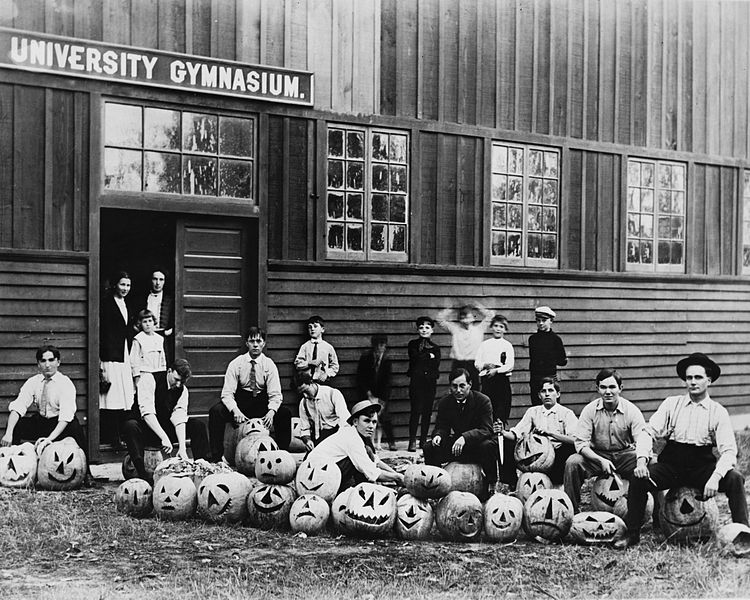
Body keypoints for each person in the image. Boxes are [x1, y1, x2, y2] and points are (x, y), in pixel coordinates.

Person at [616, 353, 749, 549]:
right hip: (672, 467)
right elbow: (648, 431)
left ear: (709, 380)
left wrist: (715, 477)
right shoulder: (672, 404)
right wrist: (642, 461)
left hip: (701, 468)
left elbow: (729, 451)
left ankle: (743, 533)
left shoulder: (717, 411)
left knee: (735, 478)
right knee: (639, 479)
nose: (693, 382)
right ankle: (632, 533)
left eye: (698, 377)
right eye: (689, 378)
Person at [1, 345, 95, 486]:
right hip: (42, 421)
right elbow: (18, 407)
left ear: (58, 362)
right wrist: (8, 433)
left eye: (51, 360)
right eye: (43, 361)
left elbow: (65, 417)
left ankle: (87, 474)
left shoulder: (65, 383)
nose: (47, 365)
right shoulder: (33, 382)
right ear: (38, 364)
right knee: (17, 425)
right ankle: (8, 470)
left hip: (61, 424)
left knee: (76, 427)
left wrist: (49, 440)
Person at [564, 368, 646, 512]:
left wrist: (641, 463)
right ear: (598, 389)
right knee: (573, 462)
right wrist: (600, 460)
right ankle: (571, 512)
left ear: (620, 388)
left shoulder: (632, 411)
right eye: (603, 387)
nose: (608, 391)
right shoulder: (590, 410)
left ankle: (659, 517)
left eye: (612, 387)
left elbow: (642, 441)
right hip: (597, 455)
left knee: (653, 463)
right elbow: (581, 444)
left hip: (625, 455)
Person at [208, 327, 292, 460]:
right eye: (252, 341)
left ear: (263, 343)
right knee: (216, 411)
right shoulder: (236, 364)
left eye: (259, 341)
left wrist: (271, 411)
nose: (255, 345)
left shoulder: (269, 365)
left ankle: (281, 456)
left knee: (284, 413)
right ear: (246, 343)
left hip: (261, 403)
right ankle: (216, 457)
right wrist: (235, 410)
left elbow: (275, 394)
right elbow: (227, 393)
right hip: (242, 403)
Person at [121, 359, 209, 484]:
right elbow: (147, 413)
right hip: (144, 428)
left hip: (164, 427)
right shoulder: (149, 379)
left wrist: (182, 448)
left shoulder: (182, 390)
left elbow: (179, 417)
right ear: (169, 371)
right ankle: (143, 476)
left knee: (197, 425)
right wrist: (164, 437)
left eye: (182, 382)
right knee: (130, 425)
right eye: (176, 379)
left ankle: (203, 472)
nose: (178, 384)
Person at [423, 367, 497, 496]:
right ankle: (436, 484)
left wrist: (465, 437)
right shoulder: (445, 402)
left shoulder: (483, 401)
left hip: (477, 446)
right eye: (454, 386)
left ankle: (491, 485)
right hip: (457, 448)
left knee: (488, 446)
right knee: (429, 447)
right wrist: (438, 436)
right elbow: (441, 426)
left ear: (470, 384)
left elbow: (487, 429)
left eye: (462, 386)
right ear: (450, 387)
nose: (458, 390)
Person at [306, 399, 404, 493]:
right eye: (366, 421)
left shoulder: (358, 435)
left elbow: (375, 460)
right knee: (361, 462)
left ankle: (364, 490)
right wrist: (397, 477)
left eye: (374, 422)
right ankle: (365, 494)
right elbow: (371, 472)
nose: (371, 426)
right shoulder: (351, 437)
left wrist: (395, 473)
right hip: (314, 478)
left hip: (326, 473)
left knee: (368, 452)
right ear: (355, 422)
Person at [497, 377, 577, 486]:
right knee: (507, 442)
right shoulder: (533, 412)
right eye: (543, 391)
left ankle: (557, 483)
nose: (547, 394)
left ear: (558, 394)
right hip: (535, 453)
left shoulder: (566, 413)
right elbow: (517, 433)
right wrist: (503, 432)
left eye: (551, 390)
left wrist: (550, 433)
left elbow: (575, 439)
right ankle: (513, 485)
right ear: (539, 395)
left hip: (556, 455)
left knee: (568, 448)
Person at [99, 271, 135, 450]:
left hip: (123, 354)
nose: (125, 288)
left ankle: (121, 436)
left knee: (123, 396)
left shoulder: (125, 303)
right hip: (110, 355)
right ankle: (112, 438)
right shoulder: (106, 303)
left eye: (128, 285)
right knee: (111, 397)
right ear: (115, 285)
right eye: (122, 284)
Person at [436, 303, 492, 389]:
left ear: (473, 318)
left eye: (468, 317)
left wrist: (477, 307)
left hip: (473, 364)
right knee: (457, 388)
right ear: (460, 319)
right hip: (458, 363)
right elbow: (439, 319)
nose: (466, 320)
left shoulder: (479, 329)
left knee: (474, 388)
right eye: (463, 317)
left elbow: (490, 315)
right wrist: (452, 308)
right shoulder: (455, 329)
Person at [407, 316, 441, 452]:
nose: (424, 330)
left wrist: (426, 357)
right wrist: (429, 356)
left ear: (432, 330)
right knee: (415, 411)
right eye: (421, 327)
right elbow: (415, 358)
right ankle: (412, 441)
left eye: (427, 327)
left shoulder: (436, 348)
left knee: (427, 412)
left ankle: (422, 440)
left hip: (430, 384)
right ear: (418, 330)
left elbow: (436, 364)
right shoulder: (413, 344)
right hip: (416, 383)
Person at [355, 334, 395, 451]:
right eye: (376, 345)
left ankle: (390, 442)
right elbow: (360, 378)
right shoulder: (366, 358)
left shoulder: (387, 361)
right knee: (367, 418)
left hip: (381, 395)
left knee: (384, 418)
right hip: (367, 393)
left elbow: (387, 382)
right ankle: (367, 443)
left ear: (385, 346)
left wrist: (382, 400)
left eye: (382, 345)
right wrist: (369, 394)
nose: (379, 348)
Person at [295, 370, 351, 451]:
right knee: (309, 461)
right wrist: (307, 440)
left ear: (311, 383)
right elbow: (305, 427)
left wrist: (341, 441)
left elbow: (345, 420)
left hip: (336, 433)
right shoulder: (303, 403)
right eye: (301, 393)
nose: (305, 395)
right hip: (318, 437)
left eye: (306, 391)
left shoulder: (332, 394)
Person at [475, 314, 515, 425]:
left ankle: (500, 438)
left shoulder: (507, 345)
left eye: (501, 326)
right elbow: (477, 362)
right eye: (496, 326)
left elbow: (510, 365)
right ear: (491, 327)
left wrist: (497, 370)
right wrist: (485, 365)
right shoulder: (484, 345)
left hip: (501, 381)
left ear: (505, 330)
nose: (498, 329)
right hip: (487, 381)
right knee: (487, 409)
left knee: (501, 410)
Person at [528, 306, 567, 406]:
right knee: (537, 408)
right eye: (538, 320)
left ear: (551, 321)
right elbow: (534, 361)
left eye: (544, 320)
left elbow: (563, 361)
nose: (541, 323)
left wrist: (550, 359)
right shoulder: (533, 339)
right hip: (536, 380)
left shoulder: (555, 339)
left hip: (550, 379)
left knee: (552, 407)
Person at [137, 269, 174, 361]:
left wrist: (169, 330)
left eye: (161, 280)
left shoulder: (170, 299)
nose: (158, 283)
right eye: (155, 279)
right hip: (144, 335)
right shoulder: (142, 298)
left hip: (163, 337)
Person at [294, 315, 339, 384]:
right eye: (310, 327)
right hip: (307, 382)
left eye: (315, 326)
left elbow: (335, 366)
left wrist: (326, 374)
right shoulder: (305, 346)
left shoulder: (328, 347)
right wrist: (308, 363)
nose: (312, 329)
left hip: (322, 381)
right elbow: (298, 364)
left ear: (322, 329)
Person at [129, 309, 167, 392]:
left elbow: (162, 358)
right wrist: (137, 377)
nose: (148, 324)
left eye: (150, 321)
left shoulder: (159, 339)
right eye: (144, 322)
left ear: (154, 322)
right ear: (140, 324)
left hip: (158, 373)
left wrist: (163, 373)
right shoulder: (138, 339)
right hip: (145, 373)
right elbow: (134, 360)